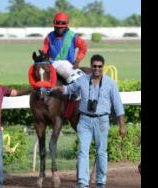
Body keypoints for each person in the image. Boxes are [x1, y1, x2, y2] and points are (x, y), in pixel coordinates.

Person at [53, 54, 126, 188]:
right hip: (85, 120)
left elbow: (118, 106)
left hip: (102, 122)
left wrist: (122, 125)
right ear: (91, 66)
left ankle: (101, 181)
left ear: (103, 67)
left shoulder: (110, 83)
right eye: (94, 66)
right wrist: (57, 88)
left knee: (101, 152)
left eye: (99, 66)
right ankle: (82, 182)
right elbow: (69, 89)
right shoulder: (82, 80)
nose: (96, 69)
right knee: (82, 151)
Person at [41, 12, 87, 84]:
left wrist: (77, 61)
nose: (59, 29)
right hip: (53, 63)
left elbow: (83, 47)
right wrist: (44, 56)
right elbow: (44, 50)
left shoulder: (72, 36)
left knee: (83, 79)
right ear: (54, 26)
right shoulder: (49, 36)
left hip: (69, 64)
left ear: (66, 26)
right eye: (57, 27)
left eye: (61, 27)